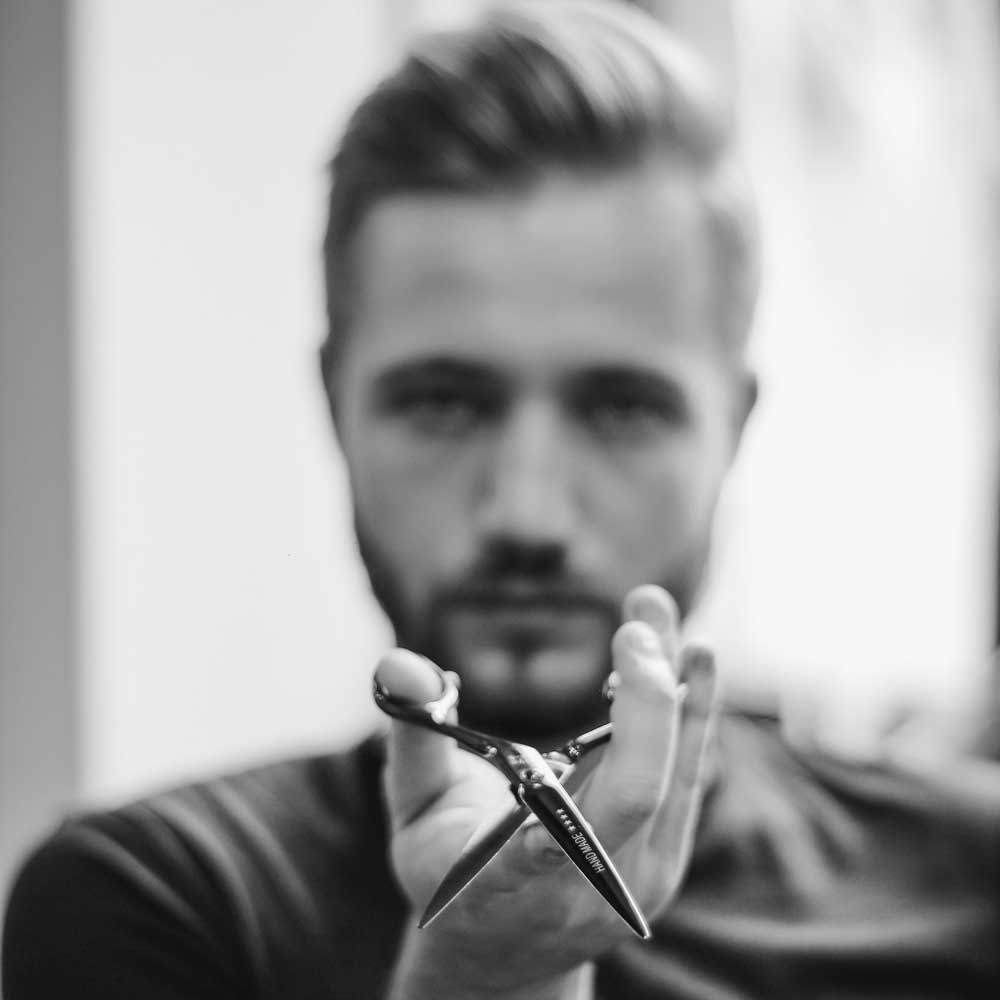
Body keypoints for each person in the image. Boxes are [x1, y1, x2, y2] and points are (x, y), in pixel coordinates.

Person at [4, 2, 999, 997]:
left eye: (620, 408)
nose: (527, 513)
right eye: (444, 404)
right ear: (336, 407)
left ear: (732, 427)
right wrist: (482, 978)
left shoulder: (976, 885)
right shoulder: (154, 902)